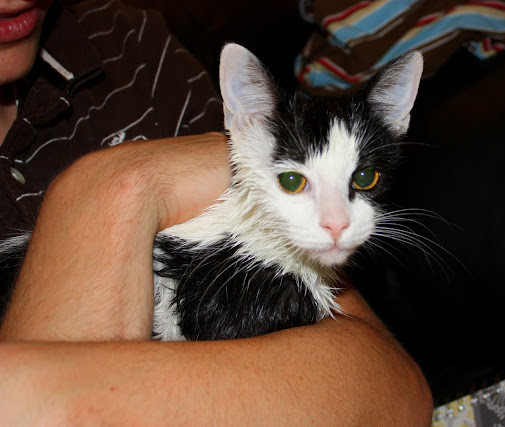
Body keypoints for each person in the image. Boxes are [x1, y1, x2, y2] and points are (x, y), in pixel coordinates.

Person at [0, 0, 432, 424]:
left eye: (364, 180)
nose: (337, 222)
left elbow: (397, 391)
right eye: (292, 181)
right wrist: (109, 187)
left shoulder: (135, 45)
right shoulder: (248, 285)